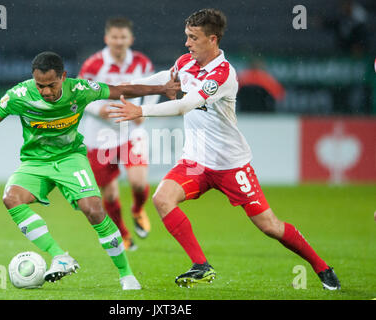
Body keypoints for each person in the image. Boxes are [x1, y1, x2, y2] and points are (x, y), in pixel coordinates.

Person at [108, 9, 341, 290]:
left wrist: (140, 110)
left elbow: (184, 104)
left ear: (212, 39)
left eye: (193, 38)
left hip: (232, 164)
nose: (187, 43)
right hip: (195, 161)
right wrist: (115, 88)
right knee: (162, 198)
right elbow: (162, 79)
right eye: (186, 37)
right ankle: (201, 266)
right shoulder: (185, 62)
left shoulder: (222, 74)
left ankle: (321, 267)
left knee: (270, 226)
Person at [0, 51, 179, 290]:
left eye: (51, 85)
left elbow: (118, 90)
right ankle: (59, 256)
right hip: (35, 162)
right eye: (40, 85)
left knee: (94, 210)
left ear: (63, 77)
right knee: (11, 198)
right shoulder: (19, 95)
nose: (45, 91)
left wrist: (160, 90)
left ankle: (126, 275)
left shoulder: (80, 89)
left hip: (70, 158)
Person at [78, 17, 158, 251]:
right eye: (114, 37)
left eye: (123, 37)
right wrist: (97, 109)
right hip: (99, 136)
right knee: (110, 194)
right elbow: (81, 95)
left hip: (131, 131)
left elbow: (155, 88)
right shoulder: (93, 65)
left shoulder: (142, 63)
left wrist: (146, 110)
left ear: (130, 39)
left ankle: (137, 209)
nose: (119, 41)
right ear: (107, 38)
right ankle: (123, 233)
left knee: (138, 180)